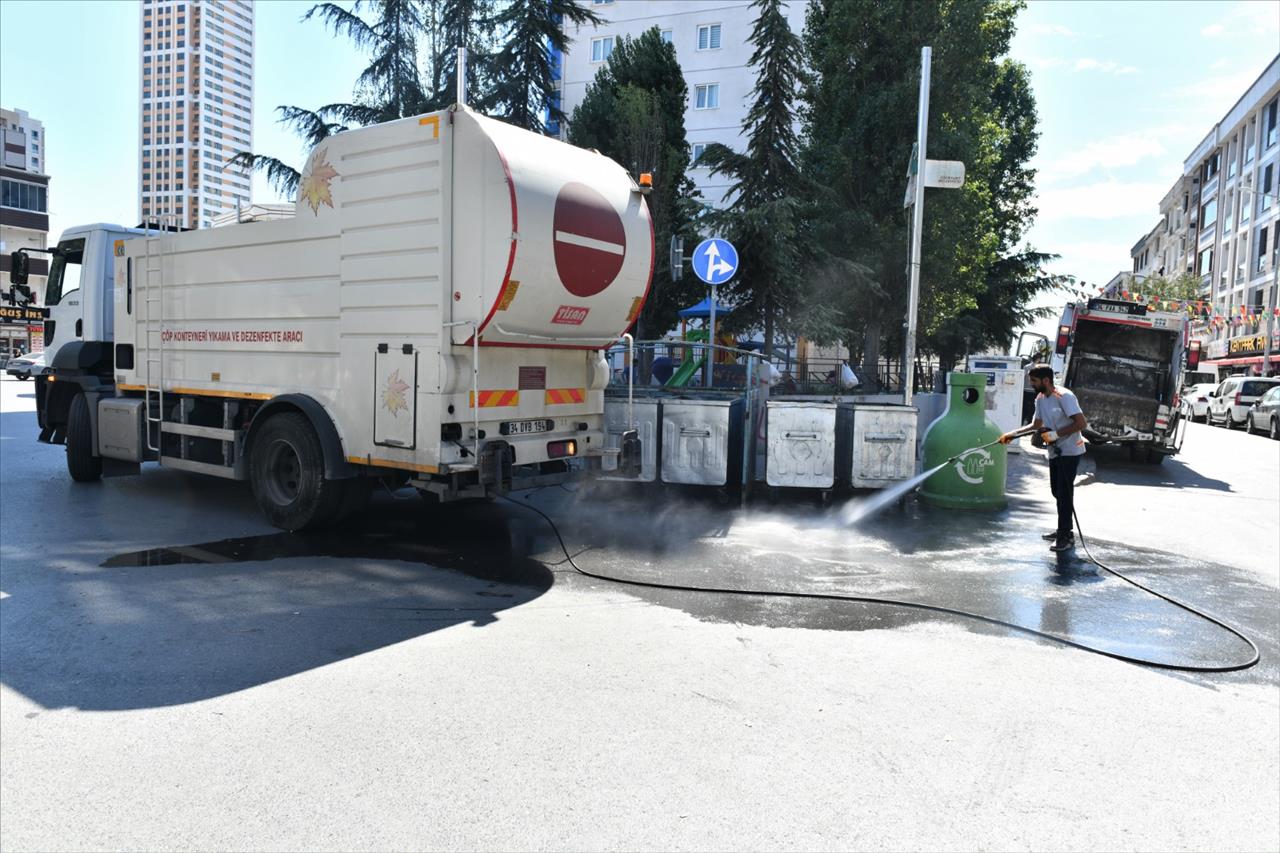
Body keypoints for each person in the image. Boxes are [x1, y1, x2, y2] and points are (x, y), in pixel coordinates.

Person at [999, 364, 1088, 552]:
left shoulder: (1065, 396)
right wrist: (1011, 434)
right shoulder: (1040, 398)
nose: (1031, 384)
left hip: (1070, 451)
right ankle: (1063, 530)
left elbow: (1081, 423)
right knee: (1057, 492)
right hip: (1055, 452)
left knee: (1064, 493)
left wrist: (1056, 435)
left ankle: (1065, 535)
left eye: (1034, 381)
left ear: (1046, 380)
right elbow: (1036, 424)